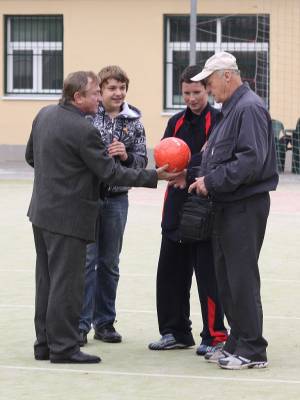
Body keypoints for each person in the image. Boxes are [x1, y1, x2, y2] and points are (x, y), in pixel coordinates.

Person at [25, 70, 177, 364]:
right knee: (66, 284)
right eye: (96, 93)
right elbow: (110, 173)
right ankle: (65, 348)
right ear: (78, 97)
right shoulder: (85, 130)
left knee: (46, 280)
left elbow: (32, 156)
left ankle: (44, 344)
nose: (100, 98)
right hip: (69, 218)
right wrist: (152, 176)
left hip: (42, 212)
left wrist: (59, 176)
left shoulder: (44, 115)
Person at [188, 52, 278, 369]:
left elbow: (250, 162)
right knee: (227, 278)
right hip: (228, 204)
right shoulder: (232, 108)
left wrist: (210, 181)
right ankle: (237, 342)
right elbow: (221, 157)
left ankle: (253, 350)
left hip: (244, 205)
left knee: (241, 278)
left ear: (227, 76)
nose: (208, 89)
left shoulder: (249, 108)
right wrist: (190, 174)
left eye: (209, 82)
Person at [148, 65, 228, 354]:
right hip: (175, 208)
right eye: (186, 93)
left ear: (207, 89)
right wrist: (166, 172)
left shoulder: (219, 120)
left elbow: (215, 158)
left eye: (196, 92)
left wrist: (189, 172)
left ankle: (214, 336)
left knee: (208, 276)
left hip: (205, 209)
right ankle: (175, 331)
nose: (191, 99)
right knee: (169, 274)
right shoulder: (176, 122)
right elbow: (165, 157)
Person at [78, 66, 148, 345]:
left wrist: (127, 156)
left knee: (110, 263)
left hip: (118, 200)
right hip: (88, 199)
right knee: (86, 262)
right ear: (101, 91)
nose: (118, 93)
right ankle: (80, 324)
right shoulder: (86, 118)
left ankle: (105, 323)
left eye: (122, 88)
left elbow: (143, 162)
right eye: (111, 88)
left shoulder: (135, 122)